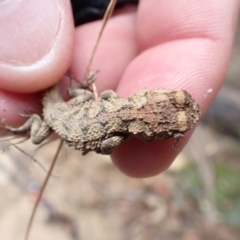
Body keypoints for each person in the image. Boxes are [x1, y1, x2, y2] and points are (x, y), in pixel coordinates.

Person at [0, 0, 239, 177]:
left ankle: (55, 102)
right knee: (38, 135)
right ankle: (33, 122)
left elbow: (103, 97)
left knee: (77, 93)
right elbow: (103, 149)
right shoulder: (116, 137)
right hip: (54, 117)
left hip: (70, 108)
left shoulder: (115, 101)